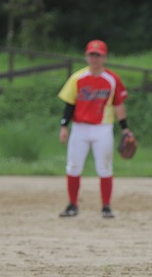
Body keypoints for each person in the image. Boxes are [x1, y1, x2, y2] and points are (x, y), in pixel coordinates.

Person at [57, 39, 134, 219]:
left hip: (103, 129)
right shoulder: (77, 78)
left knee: (105, 167)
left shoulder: (112, 79)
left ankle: (106, 206)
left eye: (98, 55)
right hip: (80, 128)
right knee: (73, 166)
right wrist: (63, 126)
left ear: (104, 57)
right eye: (92, 54)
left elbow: (118, 105)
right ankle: (72, 205)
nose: (94, 58)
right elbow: (70, 104)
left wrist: (125, 128)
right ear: (86, 56)